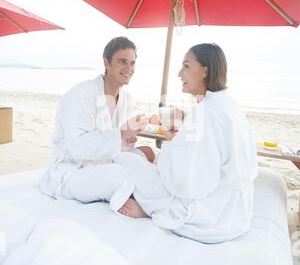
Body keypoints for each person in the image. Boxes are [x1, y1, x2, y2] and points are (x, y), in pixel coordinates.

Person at [115, 43, 258, 243]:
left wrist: (171, 142)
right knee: (143, 159)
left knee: (125, 160)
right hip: (234, 211)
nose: (179, 73)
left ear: (205, 71)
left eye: (186, 66)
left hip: (208, 217)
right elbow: (207, 155)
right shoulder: (228, 105)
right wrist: (182, 137)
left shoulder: (205, 112)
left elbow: (186, 183)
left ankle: (149, 208)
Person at [40, 36, 154, 213]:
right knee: (119, 175)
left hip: (103, 162)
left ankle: (145, 197)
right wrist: (121, 133)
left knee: (147, 154)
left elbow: (116, 143)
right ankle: (146, 207)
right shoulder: (82, 94)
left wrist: (129, 141)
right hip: (72, 170)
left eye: (132, 63)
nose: (129, 68)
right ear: (106, 63)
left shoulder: (125, 99)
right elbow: (77, 146)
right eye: (122, 61)